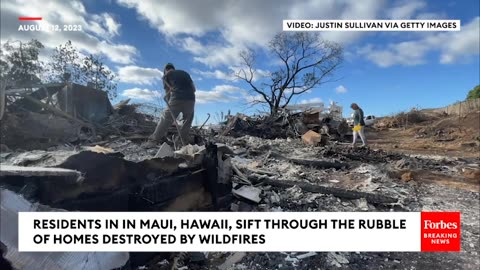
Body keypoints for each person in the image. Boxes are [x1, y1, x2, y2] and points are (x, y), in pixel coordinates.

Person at [145, 63, 196, 147]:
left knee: (165, 119)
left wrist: (169, 106)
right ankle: (182, 142)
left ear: (165, 70)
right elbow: (194, 89)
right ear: (173, 68)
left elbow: (167, 93)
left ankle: (153, 141)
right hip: (190, 99)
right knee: (187, 121)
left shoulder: (166, 76)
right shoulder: (185, 73)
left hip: (176, 98)